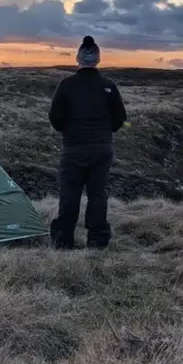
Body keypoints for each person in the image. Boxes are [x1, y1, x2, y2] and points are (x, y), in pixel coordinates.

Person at [48, 35, 127, 249]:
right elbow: (120, 117)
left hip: (73, 148)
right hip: (101, 149)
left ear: (77, 58)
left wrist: (69, 132)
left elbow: (55, 117)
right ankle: (98, 240)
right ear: (98, 60)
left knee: (69, 195)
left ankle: (63, 240)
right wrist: (104, 133)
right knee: (97, 194)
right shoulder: (108, 86)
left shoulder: (66, 85)